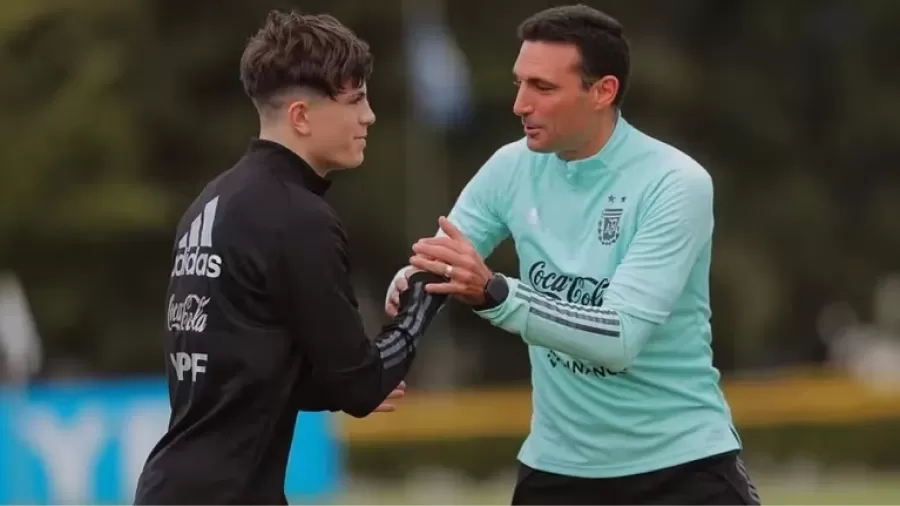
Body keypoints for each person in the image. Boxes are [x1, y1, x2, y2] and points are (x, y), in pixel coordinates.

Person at [386, 5, 760, 505]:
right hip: (558, 471)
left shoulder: (675, 182)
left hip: (682, 469)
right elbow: (443, 263)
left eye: (542, 88)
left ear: (603, 91)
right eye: (519, 83)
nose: (520, 104)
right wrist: (405, 292)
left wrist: (496, 292)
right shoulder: (509, 168)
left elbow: (619, 337)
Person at [134, 9, 447, 505]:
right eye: (356, 100)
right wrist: (429, 292)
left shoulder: (211, 202)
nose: (368, 116)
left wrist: (346, 383)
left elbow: (249, 367)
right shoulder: (297, 216)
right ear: (301, 115)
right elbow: (361, 387)